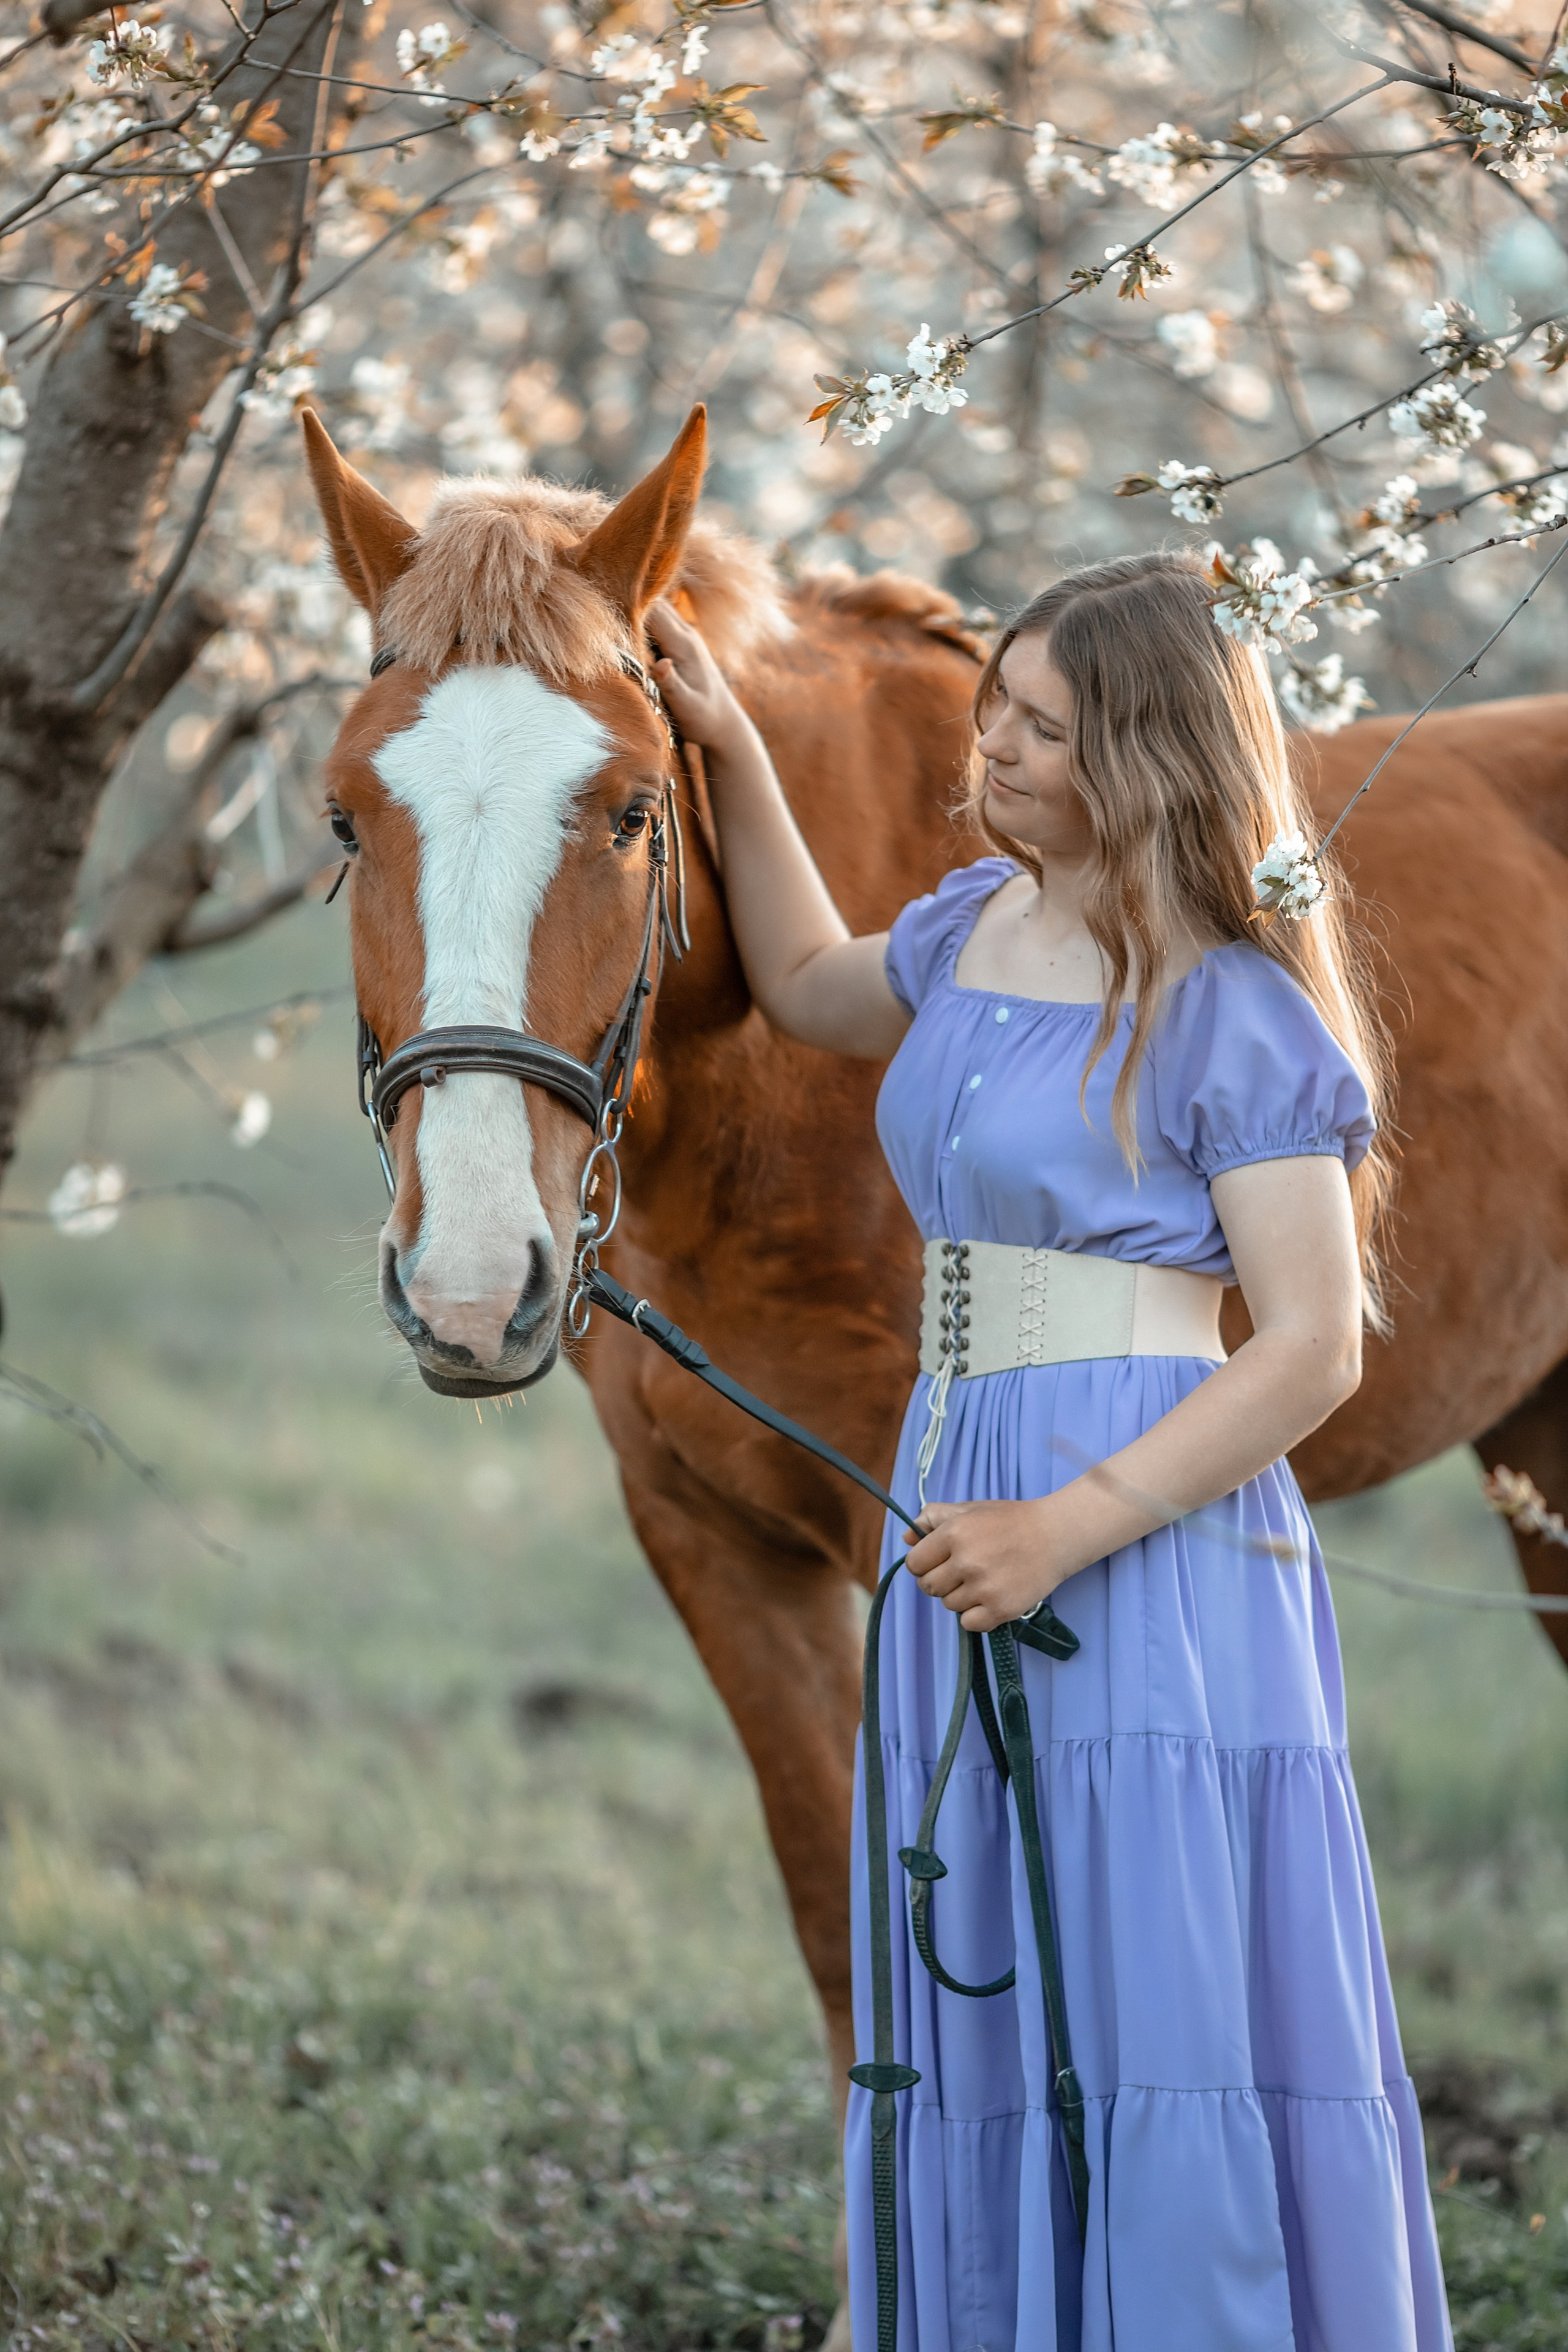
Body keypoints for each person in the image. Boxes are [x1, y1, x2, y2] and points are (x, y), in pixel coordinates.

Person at [646, 549, 1451, 2352]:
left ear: (1153, 759)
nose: (991, 748)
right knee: (986, 1947)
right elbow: (804, 982)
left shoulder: (1237, 1010)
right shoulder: (973, 930)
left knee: (1145, 1977)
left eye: (1044, 729)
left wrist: (1061, 1530)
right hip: (967, 1483)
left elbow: (1314, 1345)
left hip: (1132, 1530)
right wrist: (732, 753)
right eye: (994, 707)